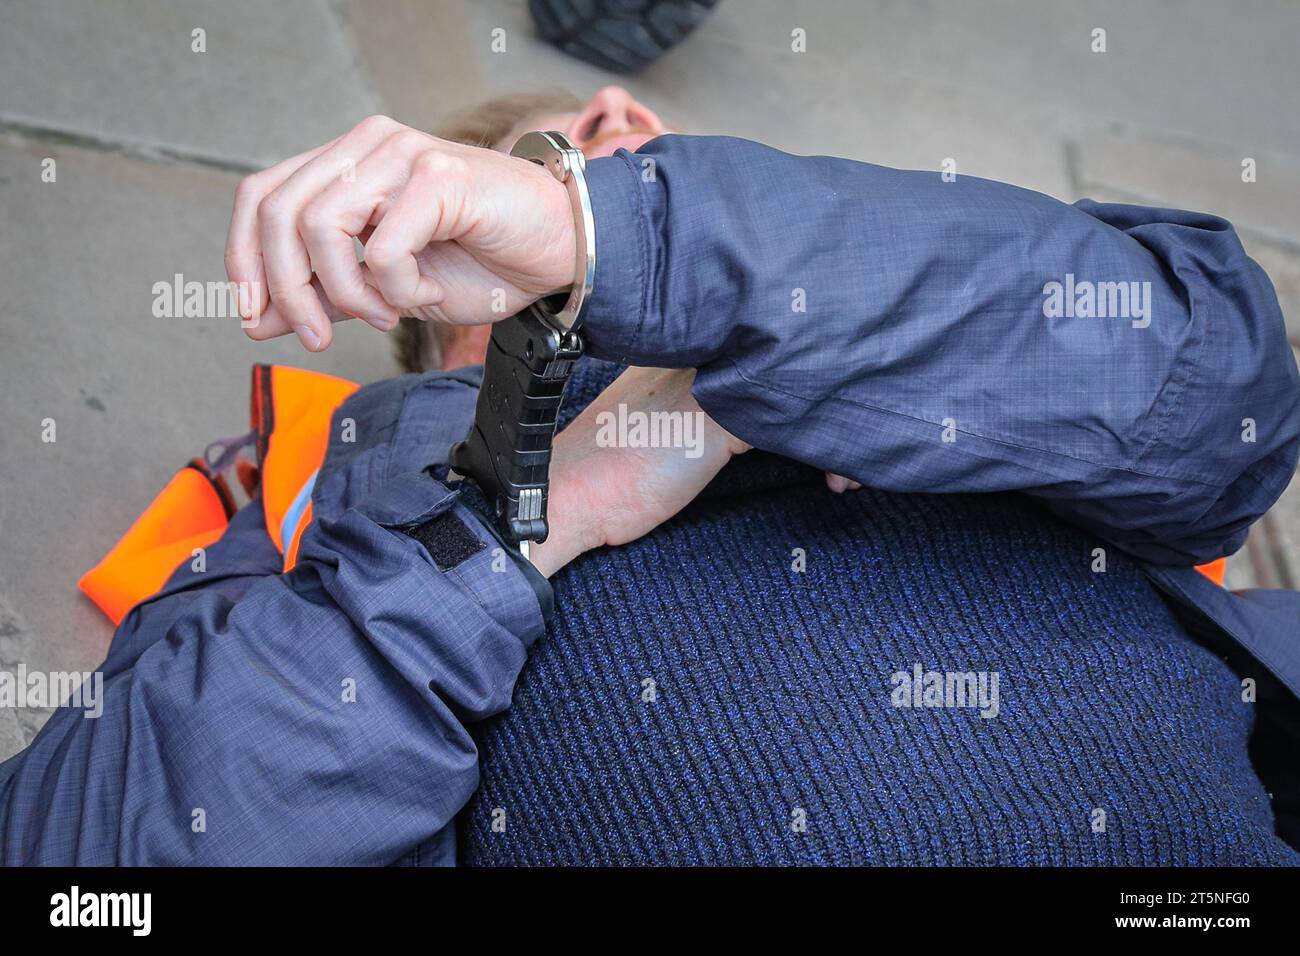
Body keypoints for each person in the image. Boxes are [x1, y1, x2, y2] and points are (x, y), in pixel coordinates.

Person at [2, 86, 1298, 865]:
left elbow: (1224, 390)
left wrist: (618, 240)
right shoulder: (350, 475)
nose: (610, 133)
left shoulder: (929, 327)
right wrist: (525, 515)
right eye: (518, 168)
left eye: (619, 162)